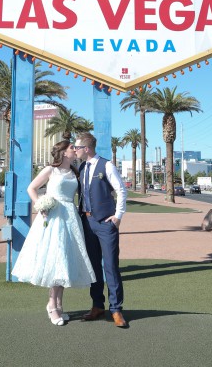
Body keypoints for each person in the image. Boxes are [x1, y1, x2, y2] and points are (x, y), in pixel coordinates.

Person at [11, 140, 96, 326]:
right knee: (56, 260)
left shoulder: (75, 171)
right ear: (64, 153)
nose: (75, 150)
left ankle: (58, 304)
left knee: (64, 261)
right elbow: (31, 188)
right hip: (53, 217)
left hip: (70, 217)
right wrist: (40, 205)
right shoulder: (51, 170)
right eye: (71, 148)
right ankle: (52, 305)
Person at [75, 132, 128, 328]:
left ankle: (116, 309)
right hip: (87, 223)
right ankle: (97, 305)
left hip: (106, 224)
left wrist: (118, 216)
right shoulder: (81, 167)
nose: (75, 150)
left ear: (86, 148)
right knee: (94, 267)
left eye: (77, 147)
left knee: (111, 267)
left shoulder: (106, 165)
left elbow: (121, 190)